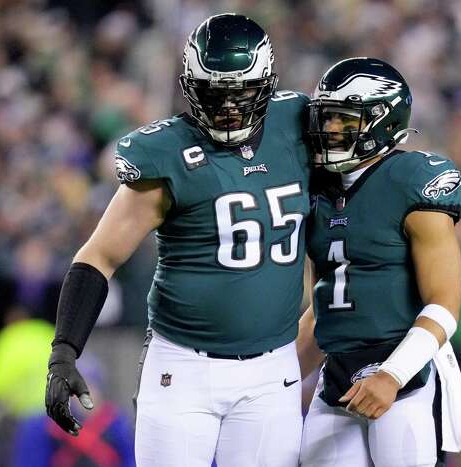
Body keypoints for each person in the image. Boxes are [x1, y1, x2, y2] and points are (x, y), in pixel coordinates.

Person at [44, 13, 310, 467]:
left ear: (267, 85)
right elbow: (99, 256)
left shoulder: (299, 126)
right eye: (214, 94)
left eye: (240, 94)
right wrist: (64, 351)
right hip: (184, 369)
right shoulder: (167, 155)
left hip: (273, 370)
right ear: (190, 88)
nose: (227, 109)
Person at [297, 57, 461, 466]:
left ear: (382, 121)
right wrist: (270, 383)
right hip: (337, 374)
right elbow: (323, 306)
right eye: (327, 117)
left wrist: (393, 374)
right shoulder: (318, 191)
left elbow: (445, 304)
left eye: (343, 119)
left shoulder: (412, 180)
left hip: (405, 374)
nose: (331, 129)